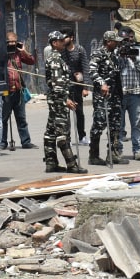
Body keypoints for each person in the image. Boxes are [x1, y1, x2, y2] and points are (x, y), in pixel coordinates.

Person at [42, 31, 86, 174]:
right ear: (54, 43)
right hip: (59, 101)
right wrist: (65, 99)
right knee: (62, 133)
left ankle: (51, 163)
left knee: (50, 132)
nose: (63, 42)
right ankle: (72, 165)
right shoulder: (55, 59)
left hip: (56, 100)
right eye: (61, 40)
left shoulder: (57, 57)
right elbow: (57, 84)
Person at [87, 31, 124, 166]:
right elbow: (92, 70)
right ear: (108, 41)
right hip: (102, 96)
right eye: (115, 41)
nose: (118, 43)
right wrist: (101, 83)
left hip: (115, 95)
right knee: (99, 123)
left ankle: (113, 154)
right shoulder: (98, 53)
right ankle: (94, 155)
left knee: (115, 125)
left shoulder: (114, 55)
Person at [0, 32, 37, 150]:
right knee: (4, 119)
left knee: (21, 118)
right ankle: (3, 142)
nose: (11, 44)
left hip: (19, 91)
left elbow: (32, 61)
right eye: (9, 42)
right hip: (6, 92)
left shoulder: (18, 53)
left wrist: (24, 51)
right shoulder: (2, 54)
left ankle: (25, 141)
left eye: (13, 42)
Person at [116, 33, 140, 161]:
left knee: (136, 124)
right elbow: (113, 68)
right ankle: (118, 150)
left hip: (136, 93)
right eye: (124, 40)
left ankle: (138, 150)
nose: (127, 42)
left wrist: (134, 59)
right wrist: (120, 55)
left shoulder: (138, 51)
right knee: (119, 124)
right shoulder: (115, 52)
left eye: (129, 39)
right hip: (120, 94)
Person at [60, 32, 88, 142]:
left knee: (79, 112)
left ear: (71, 38)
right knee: (65, 112)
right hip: (65, 85)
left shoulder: (80, 50)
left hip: (77, 85)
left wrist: (85, 87)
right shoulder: (61, 51)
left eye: (65, 37)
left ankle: (82, 136)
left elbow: (85, 67)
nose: (63, 39)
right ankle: (67, 138)